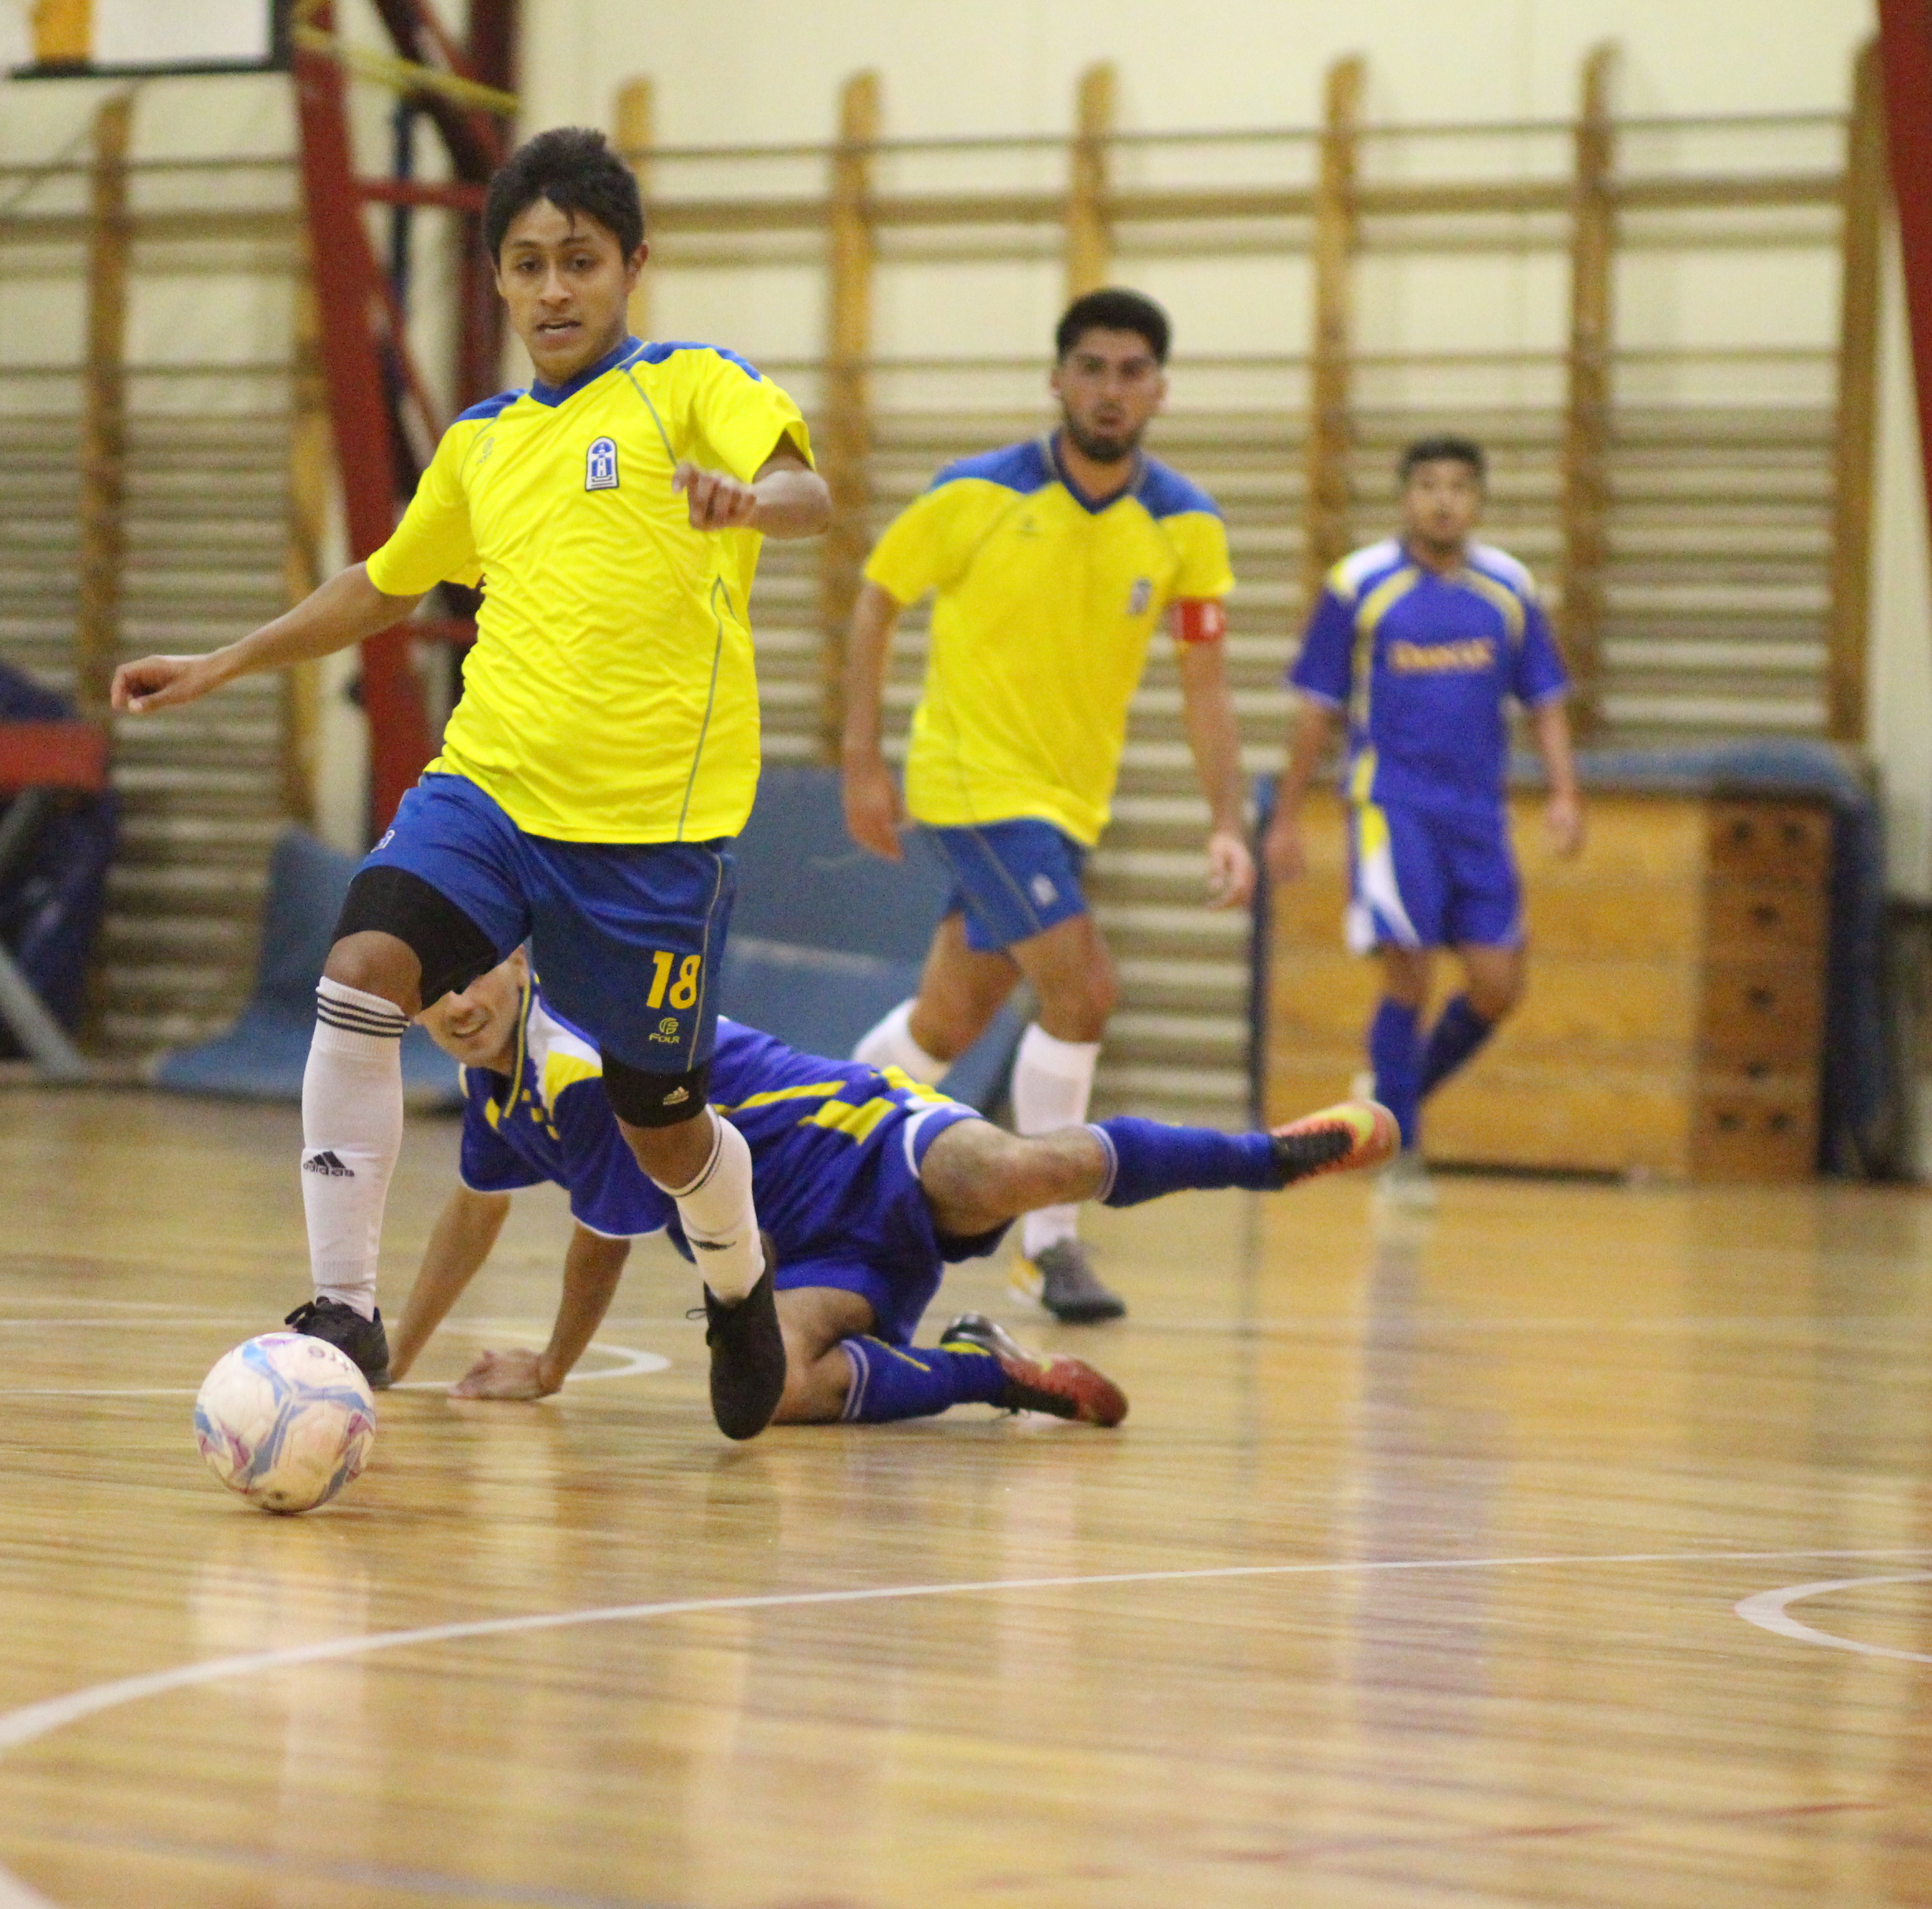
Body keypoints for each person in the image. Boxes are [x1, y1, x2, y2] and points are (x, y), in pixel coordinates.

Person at [113, 128, 830, 1438]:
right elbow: (381, 584)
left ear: (633, 268)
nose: (554, 289)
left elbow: (807, 490)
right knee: (363, 968)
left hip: (649, 838)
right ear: (496, 280)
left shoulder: (688, 386)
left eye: (581, 261)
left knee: (663, 1127)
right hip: (489, 790)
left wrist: (751, 504)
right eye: (528, 264)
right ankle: (344, 1309)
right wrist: (226, 661)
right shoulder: (483, 443)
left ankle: (737, 1283)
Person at [384, 951, 1396, 1428]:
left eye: (473, 976)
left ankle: (1267, 1158)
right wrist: (392, 1362)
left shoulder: (576, 1060)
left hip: (865, 1143)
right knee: (775, 1393)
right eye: (435, 995)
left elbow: (600, 1240)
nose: (458, 1005)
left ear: (524, 960)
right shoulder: (494, 1090)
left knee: (1017, 1170)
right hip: (803, 1258)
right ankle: (988, 1371)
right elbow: (472, 1214)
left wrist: (550, 1369)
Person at [837, 288, 1247, 1327]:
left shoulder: (1186, 524)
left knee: (946, 1022)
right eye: (1092, 368)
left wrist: (1227, 822)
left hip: (1069, 807)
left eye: (1132, 371)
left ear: (1159, 389)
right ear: (1058, 379)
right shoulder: (974, 492)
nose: (1111, 390)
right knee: (1085, 991)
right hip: (970, 783)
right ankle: (1049, 1243)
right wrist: (861, 763)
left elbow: (1205, 683)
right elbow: (877, 601)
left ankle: (810, 1137)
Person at [1263, 435, 1584, 1205]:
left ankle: (1390, 1095)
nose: (1444, 500)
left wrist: (1565, 794)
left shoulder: (1508, 588)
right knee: (1408, 969)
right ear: (1405, 497)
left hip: (1478, 813)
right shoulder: (1359, 584)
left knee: (1498, 985)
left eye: (1460, 486)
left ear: (1479, 501)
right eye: (1429, 485)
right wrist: (1285, 816)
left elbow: (1545, 700)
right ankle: (1400, 1151)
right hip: (1392, 804)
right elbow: (1317, 708)